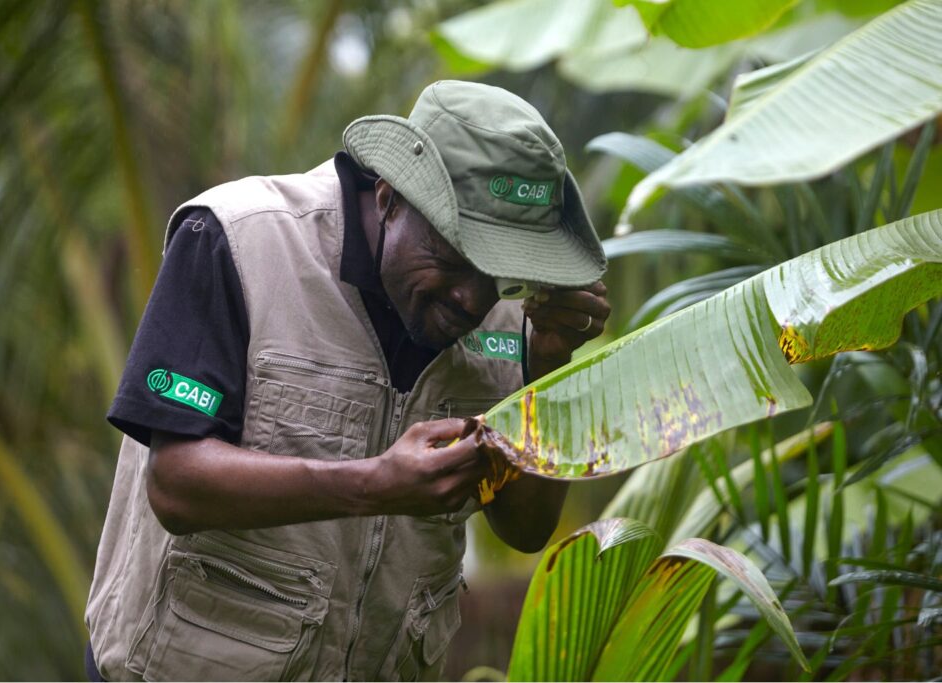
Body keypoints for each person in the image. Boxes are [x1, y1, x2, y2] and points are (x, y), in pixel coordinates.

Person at [85, 80, 610, 681]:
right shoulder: (240, 240)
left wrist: (548, 364)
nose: (475, 298)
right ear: (389, 197)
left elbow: (525, 527)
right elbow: (176, 487)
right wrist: (374, 484)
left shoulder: (521, 312)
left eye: (502, 275)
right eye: (453, 259)